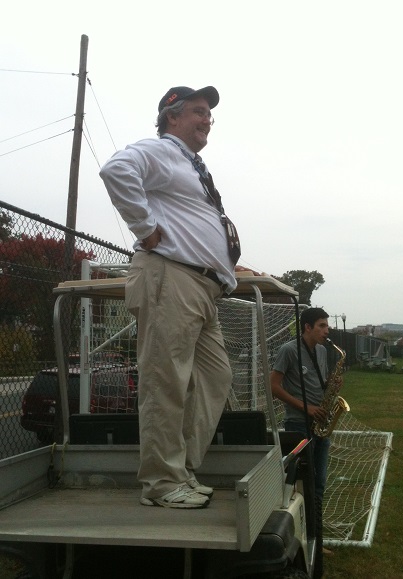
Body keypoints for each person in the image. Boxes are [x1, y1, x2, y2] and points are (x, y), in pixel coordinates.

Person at [100, 85, 240, 509]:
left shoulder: (190, 166)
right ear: (172, 116)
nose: (207, 119)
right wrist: (144, 229)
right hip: (171, 278)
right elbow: (116, 170)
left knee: (216, 378)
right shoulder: (161, 150)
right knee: (166, 382)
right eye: (199, 111)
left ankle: (180, 468)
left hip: (201, 286)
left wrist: (225, 266)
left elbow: (190, 222)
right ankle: (161, 483)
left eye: (209, 115)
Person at [270, 307, 331, 502]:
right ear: (307, 327)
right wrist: (307, 408)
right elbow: (273, 386)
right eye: (321, 326)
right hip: (298, 423)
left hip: (321, 423)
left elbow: (322, 381)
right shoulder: (288, 350)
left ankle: (317, 528)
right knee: (302, 481)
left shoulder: (321, 350)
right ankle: (303, 524)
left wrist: (332, 385)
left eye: (327, 326)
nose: (326, 331)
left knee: (319, 482)